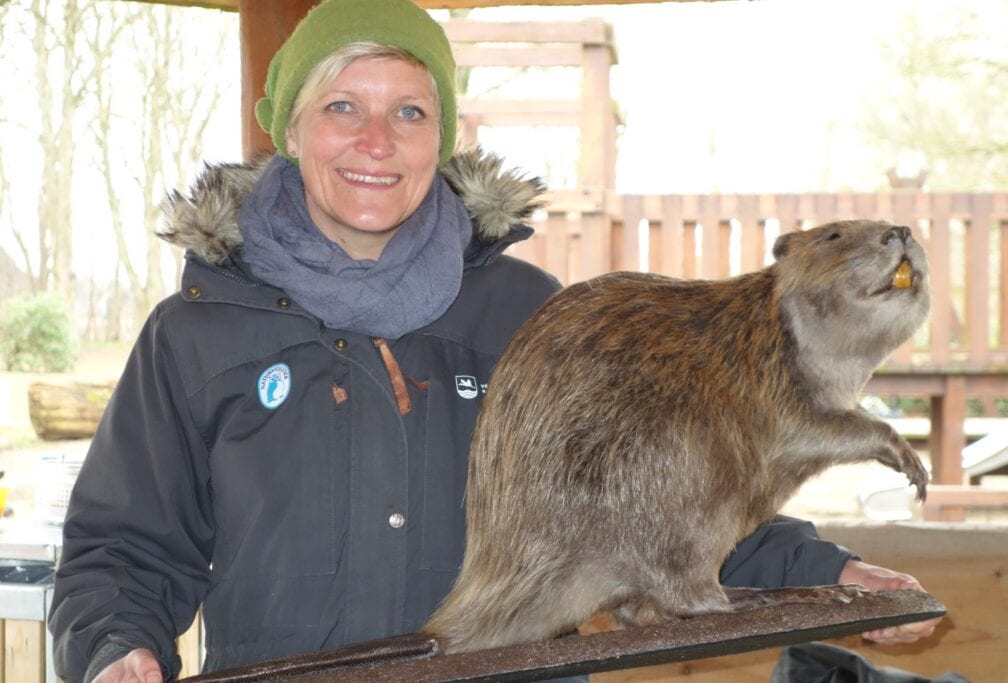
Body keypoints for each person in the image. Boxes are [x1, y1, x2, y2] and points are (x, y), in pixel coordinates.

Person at [47, 1, 937, 681]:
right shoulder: (198, 331)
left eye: (409, 112)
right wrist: (114, 647)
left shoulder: (528, 313)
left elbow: (684, 480)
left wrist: (833, 574)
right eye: (342, 106)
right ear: (287, 127)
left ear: (445, 135)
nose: (375, 141)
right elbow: (123, 548)